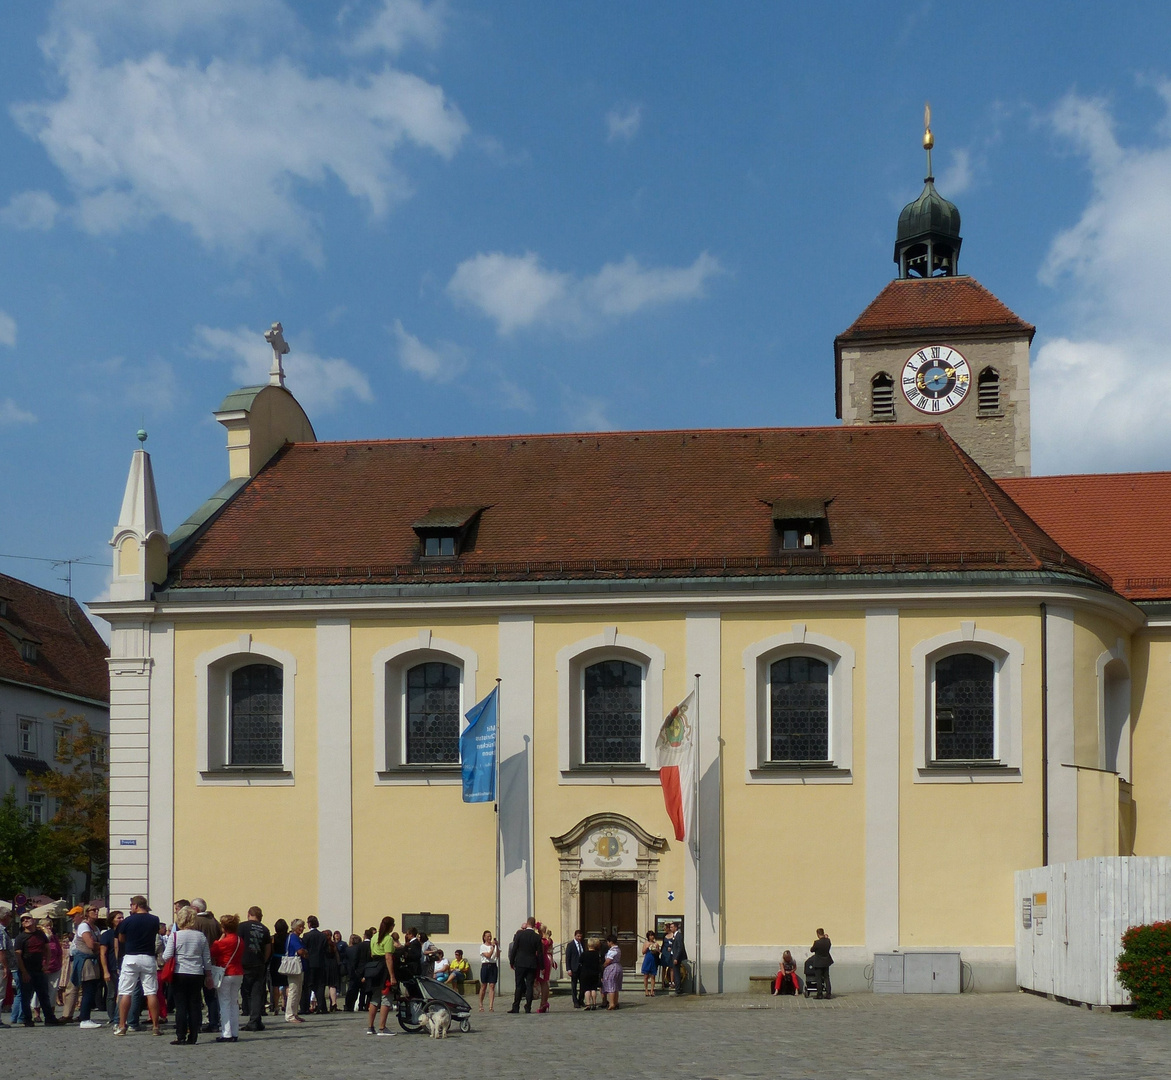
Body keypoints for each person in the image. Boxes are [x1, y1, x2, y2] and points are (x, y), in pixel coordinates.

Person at [162, 905, 211, 1044]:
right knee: (195, 1005)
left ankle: (181, 1035)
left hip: (179, 972)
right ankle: (194, 1035)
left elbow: (166, 956)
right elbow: (206, 958)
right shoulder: (200, 936)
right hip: (196, 973)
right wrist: (209, 975)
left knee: (181, 1005)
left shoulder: (175, 935)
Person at [115, 895, 162, 1037]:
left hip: (131, 956)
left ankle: (122, 1025)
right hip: (148, 957)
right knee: (151, 992)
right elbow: (155, 934)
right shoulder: (155, 919)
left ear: (135, 905)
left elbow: (121, 938)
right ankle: (155, 1026)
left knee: (125, 992)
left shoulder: (128, 920)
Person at [14, 913, 58, 1026]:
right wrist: (24, 972)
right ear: (22, 924)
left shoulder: (40, 934)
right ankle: (27, 1019)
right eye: (23, 920)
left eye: (28, 918)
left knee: (44, 995)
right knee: (26, 996)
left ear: (33, 920)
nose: (26, 921)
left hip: (39, 969)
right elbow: (18, 956)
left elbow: (47, 949)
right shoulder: (20, 938)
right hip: (26, 969)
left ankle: (49, 1018)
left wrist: (46, 964)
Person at [210, 913, 244, 1042]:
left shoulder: (223, 942)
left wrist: (217, 940)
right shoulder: (240, 940)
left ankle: (226, 1032)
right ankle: (234, 1032)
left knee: (224, 1003)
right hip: (238, 972)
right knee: (234, 1003)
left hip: (225, 972)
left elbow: (213, 951)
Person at [238, 907, 272, 1032]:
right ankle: (256, 1020)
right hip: (258, 963)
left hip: (244, 962)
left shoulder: (242, 927)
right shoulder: (265, 929)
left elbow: (238, 943)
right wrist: (264, 960)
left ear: (249, 914)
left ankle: (253, 1020)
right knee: (257, 993)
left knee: (247, 992)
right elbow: (268, 948)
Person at [191, 899, 222, 1034]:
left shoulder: (195, 922)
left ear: (196, 909)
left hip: (197, 962)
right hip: (212, 961)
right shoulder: (214, 922)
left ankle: (196, 1023)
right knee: (211, 995)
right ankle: (214, 1022)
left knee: (196, 996)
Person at [73, 904, 103, 1028]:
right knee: (88, 989)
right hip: (86, 961)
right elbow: (90, 944)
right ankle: (84, 1018)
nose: (96, 911)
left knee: (92, 989)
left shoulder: (94, 927)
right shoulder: (84, 926)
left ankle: (86, 1016)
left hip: (93, 960)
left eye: (97, 909)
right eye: (93, 910)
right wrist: (101, 945)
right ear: (86, 913)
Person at [366, 916, 397, 1036]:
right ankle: (382, 1028)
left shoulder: (374, 937)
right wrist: (392, 975)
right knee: (386, 998)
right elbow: (388, 957)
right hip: (384, 969)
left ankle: (370, 1026)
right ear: (391, 926)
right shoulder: (388, 938)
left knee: (374, 998)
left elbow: (373, 954)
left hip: (374, 968)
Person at [507, 917, 543, 1014]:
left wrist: (511, 961)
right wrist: (542, 966)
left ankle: (516, 1006)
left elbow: (514, 949)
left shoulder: (519, 935)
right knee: (529, 985)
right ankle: (528, 1007)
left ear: (527, 923)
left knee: (518, 985)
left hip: (520, 963)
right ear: (534, 925)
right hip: (532, 963)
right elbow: (540, 953)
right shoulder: (537, 937)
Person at [100, 911, 124, 1025]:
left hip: (124, 966)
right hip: (111, 967)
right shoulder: (107, 935)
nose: (121, 919)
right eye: (118, 918)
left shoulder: (125, 933)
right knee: (112, 993)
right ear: (112, 920)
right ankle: (113, 1016)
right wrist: (105, 971)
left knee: (123, 993)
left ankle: (121, 1016)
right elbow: (103, 953)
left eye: (122, 917)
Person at [283, 919, 307, 1023]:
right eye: (299, 927)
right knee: (293, 990)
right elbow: (300, 951)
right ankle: (289, 1015)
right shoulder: (293, 937)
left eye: (302, 927)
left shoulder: (297, 938)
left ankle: (295, 1013)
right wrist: (305, 952)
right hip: (294, 966)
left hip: (299, 967)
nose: (301, 929)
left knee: (298, 991)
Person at [345, 931, 370, 1013]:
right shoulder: (361, 948)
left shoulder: (348, 949)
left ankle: (349, 1006)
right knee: (363, 990)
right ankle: (361, 1006)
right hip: (361, 971)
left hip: (352, 972)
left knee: (352, 990)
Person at [269, 918, 289, 1017]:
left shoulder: (273, 938)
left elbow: (271, 950)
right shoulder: (288, 937)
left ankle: (276, 1006)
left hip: (276, 960)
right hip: (286, 960)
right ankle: (288, 1005)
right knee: (287, 984)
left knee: (275, 985)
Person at [535, 924, 556, 1013]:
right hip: (548, 958)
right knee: (545, 981)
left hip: (543, 959)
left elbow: (540, 952)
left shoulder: (542, 941)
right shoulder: (549, 940)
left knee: (543, 981)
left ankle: (543, 1002)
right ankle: (544, 1002)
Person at [808, 928, 833, 999]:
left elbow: (812, 950)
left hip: (818, 962)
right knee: (827, 978)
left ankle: (820, 994)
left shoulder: (817, 942)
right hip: (826, 962)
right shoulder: (828, 941)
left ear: (818, 934)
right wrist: (826, 938)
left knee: (818, 979)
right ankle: (828, 994)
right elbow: (829, 945)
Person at [600, 934, 623, 1010]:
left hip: (612, 968)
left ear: (610, 942)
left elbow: (608, 961)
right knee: (615, 986)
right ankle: (615, 1002)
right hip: (618, 966)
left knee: (611, 985)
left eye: (608, 942)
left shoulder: (612, 951)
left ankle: (612, 1003)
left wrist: (603, 966)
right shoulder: (618, 949)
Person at [478, 931, 498, 1013]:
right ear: (484, 937)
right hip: (485, 966)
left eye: (490, 936)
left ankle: (491, 1006)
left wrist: (497, 946)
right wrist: (492, 948)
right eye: (487, 936)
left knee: (492, 985)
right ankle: (481, 1004)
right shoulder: (482, 946)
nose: (489, 938)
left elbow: (497, 955)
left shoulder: (494, 946)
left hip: (493, 965)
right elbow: (488, 955)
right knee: (483, 985)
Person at [564, 929, 585, 1008]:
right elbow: (568, 958)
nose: (579, 938)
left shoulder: (582, 944)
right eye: (578, 936)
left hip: (581, 967)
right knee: (574, 985)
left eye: (580, 936)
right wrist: (568, 969)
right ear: (575, 936)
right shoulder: (571, 945)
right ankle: (575, 1001)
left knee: (583, 985)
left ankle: (581, 1000)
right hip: (574, 968)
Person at [579, 938, 602, 1010]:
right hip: (594, 973)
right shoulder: (597, 954)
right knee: (593, 989)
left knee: (587, 989)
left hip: (585, 973)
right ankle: (594, 1003)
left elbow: (580, 962)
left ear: (588, 945)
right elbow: (599, 964)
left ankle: (588, 1004)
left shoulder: (584, 954)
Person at [640, 930, 661, 996]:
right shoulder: (646, 943)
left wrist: (656, 950)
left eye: (653, 935)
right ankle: (646, 990)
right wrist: (647, 948)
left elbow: (658, 953)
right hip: (647, 960)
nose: (652, 937)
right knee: (646, 976)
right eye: (651, 935)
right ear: (648, 937)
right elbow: (643, 952)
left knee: (653, 976)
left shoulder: (656, 944)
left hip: (653, 960)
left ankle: (652, 990)